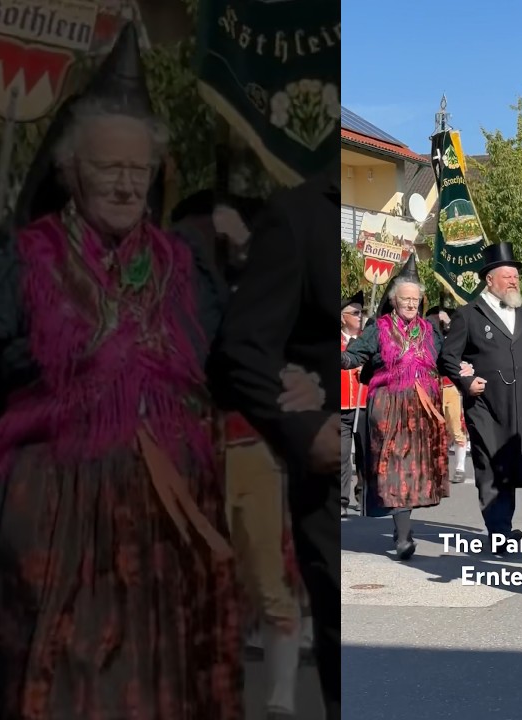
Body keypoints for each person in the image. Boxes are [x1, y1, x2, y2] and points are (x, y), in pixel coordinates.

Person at [0, 25, 318, 717]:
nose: (126, 184)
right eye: (108, 169)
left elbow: (230, 366)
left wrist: (290, 382)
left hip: (169, 525)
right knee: (65, 688)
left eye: (139, 169)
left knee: (161, 689)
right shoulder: (23, 260)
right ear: (71, 172)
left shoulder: (188, 269)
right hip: (54, 517)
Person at [171, 191, 307, 720]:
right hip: (187, 449)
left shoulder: (272, 293)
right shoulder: (174, 292)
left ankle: (280, 702)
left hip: (252, 448)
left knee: (266, 577)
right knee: (198, 581)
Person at [215, 166, 338, 716]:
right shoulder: (297, 215)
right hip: (295, 459)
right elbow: (242, 348)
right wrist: (302, 426)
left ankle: (291, 697)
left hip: (360, 459)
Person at [438, 243, 522, 550]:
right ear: (489, 279)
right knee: (490, 465)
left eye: (516, 276)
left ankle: (504, 527)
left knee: (510, 467)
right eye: (508, 276)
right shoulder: (468, 315)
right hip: (486, 405)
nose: (514, 281)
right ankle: (499, 531)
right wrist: (467, 379)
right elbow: (447, 358)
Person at [340, 256, 450, 559]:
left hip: (423, 409)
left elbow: (444, 362)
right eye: (406, 299)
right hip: (388, 407)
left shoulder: (430, 330)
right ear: (393, 300)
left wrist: (466, 374)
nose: (411, 303)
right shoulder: (379, 328)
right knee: (397, 470)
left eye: (416, 299)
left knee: (414, 472)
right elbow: (355, 355)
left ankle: (403, 528)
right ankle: (402, 538)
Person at [427, 304, 470, 483]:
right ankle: (438, 468)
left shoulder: (454, 336)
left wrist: (450, 324)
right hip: (432, 387)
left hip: (451, 387)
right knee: (436, 430)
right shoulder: (427, 337)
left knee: (456, 427)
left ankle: (460, 467)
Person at [342, 290, 367, 514]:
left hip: (364, 405)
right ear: (343, 317)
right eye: (355, 312)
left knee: (363, 454)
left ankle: (363, 496)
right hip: (341, 407)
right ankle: (341, 500)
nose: (360, 316)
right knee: (341, 457)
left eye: (362, 313)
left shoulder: (367, 341)